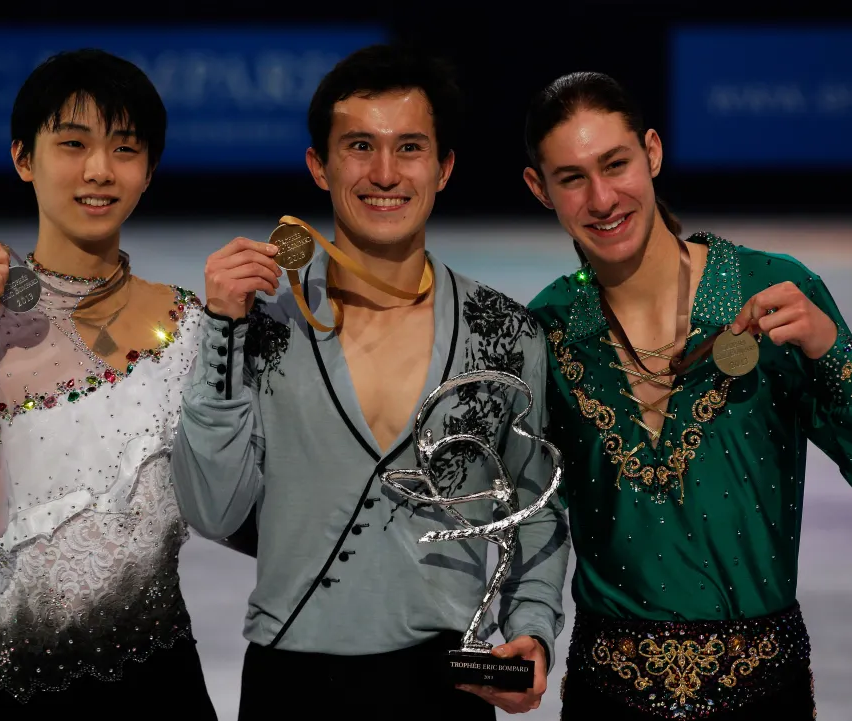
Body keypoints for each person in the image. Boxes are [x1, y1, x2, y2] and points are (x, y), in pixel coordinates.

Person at [170, 44, 570, 719]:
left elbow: (532, 509)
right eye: (359, 146)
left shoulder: (503, 333)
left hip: (447, 684)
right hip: (289, 681)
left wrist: (531, 629)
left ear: (442, 169)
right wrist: (220, 329)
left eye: (409, 148)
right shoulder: (262, 327)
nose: (384, 173)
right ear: (318, 167)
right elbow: (210, 508)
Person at [522, 70, 852, 720]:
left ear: (651, 152)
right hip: (607, 698)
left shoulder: (771, 291)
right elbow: (530, 506)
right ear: (539, 188)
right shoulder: (550, 327)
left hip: (764, 696)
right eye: (571, 177)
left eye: (615, 163)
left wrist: (828, 349)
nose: (601, 197)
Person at [0, 49, 217, 720]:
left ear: (149, 170)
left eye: (125, 148)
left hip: (162, 688)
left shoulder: (191, 324)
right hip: (22, 692)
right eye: (73, 144)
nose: (99, 170)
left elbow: (232, 504)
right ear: (24, 157)